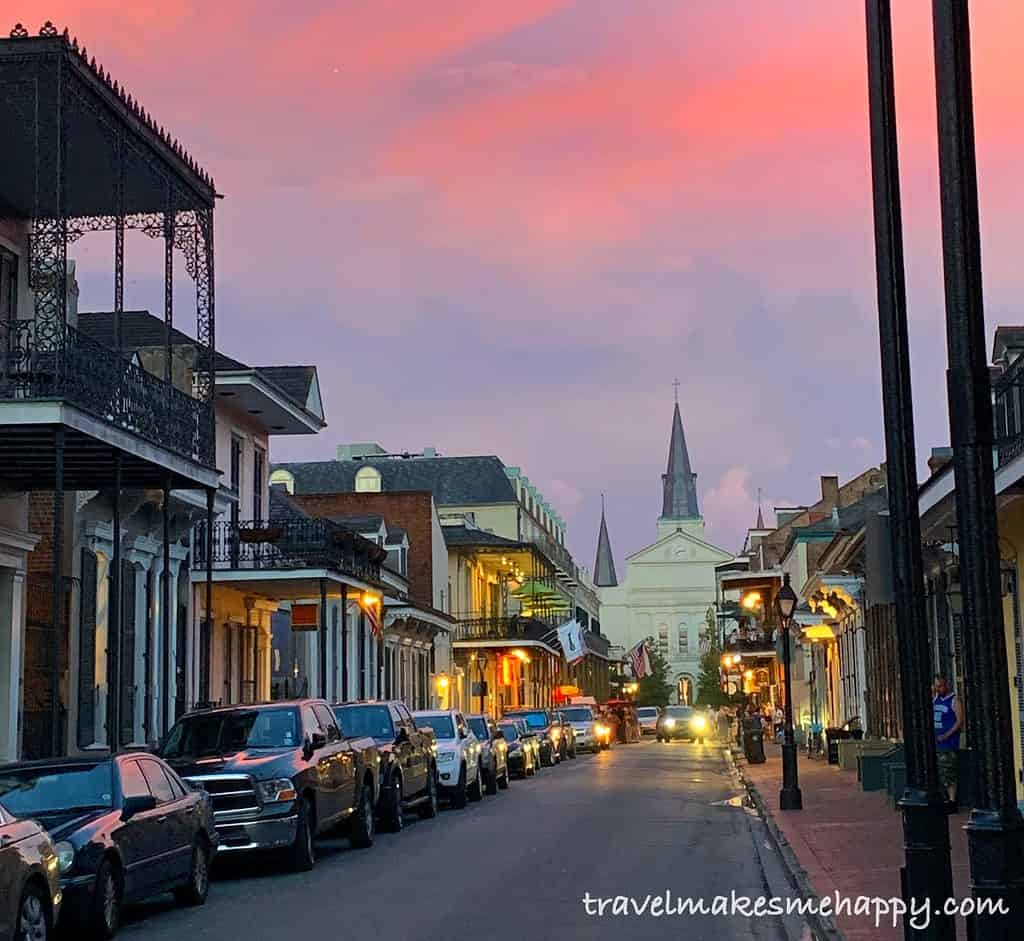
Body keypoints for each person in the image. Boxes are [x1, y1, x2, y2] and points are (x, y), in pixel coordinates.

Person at [933, 675, 963, 804]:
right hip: (937, 742)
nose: (938, 689)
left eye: (940, 686)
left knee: (949, 771)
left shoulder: (954, 700)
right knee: (940, 772)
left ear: (947, 685)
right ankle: (945, 798)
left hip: (949, 743)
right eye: (936, 686)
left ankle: (952, 800)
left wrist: (947, 735)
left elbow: (959, 721)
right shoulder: (936, 699)